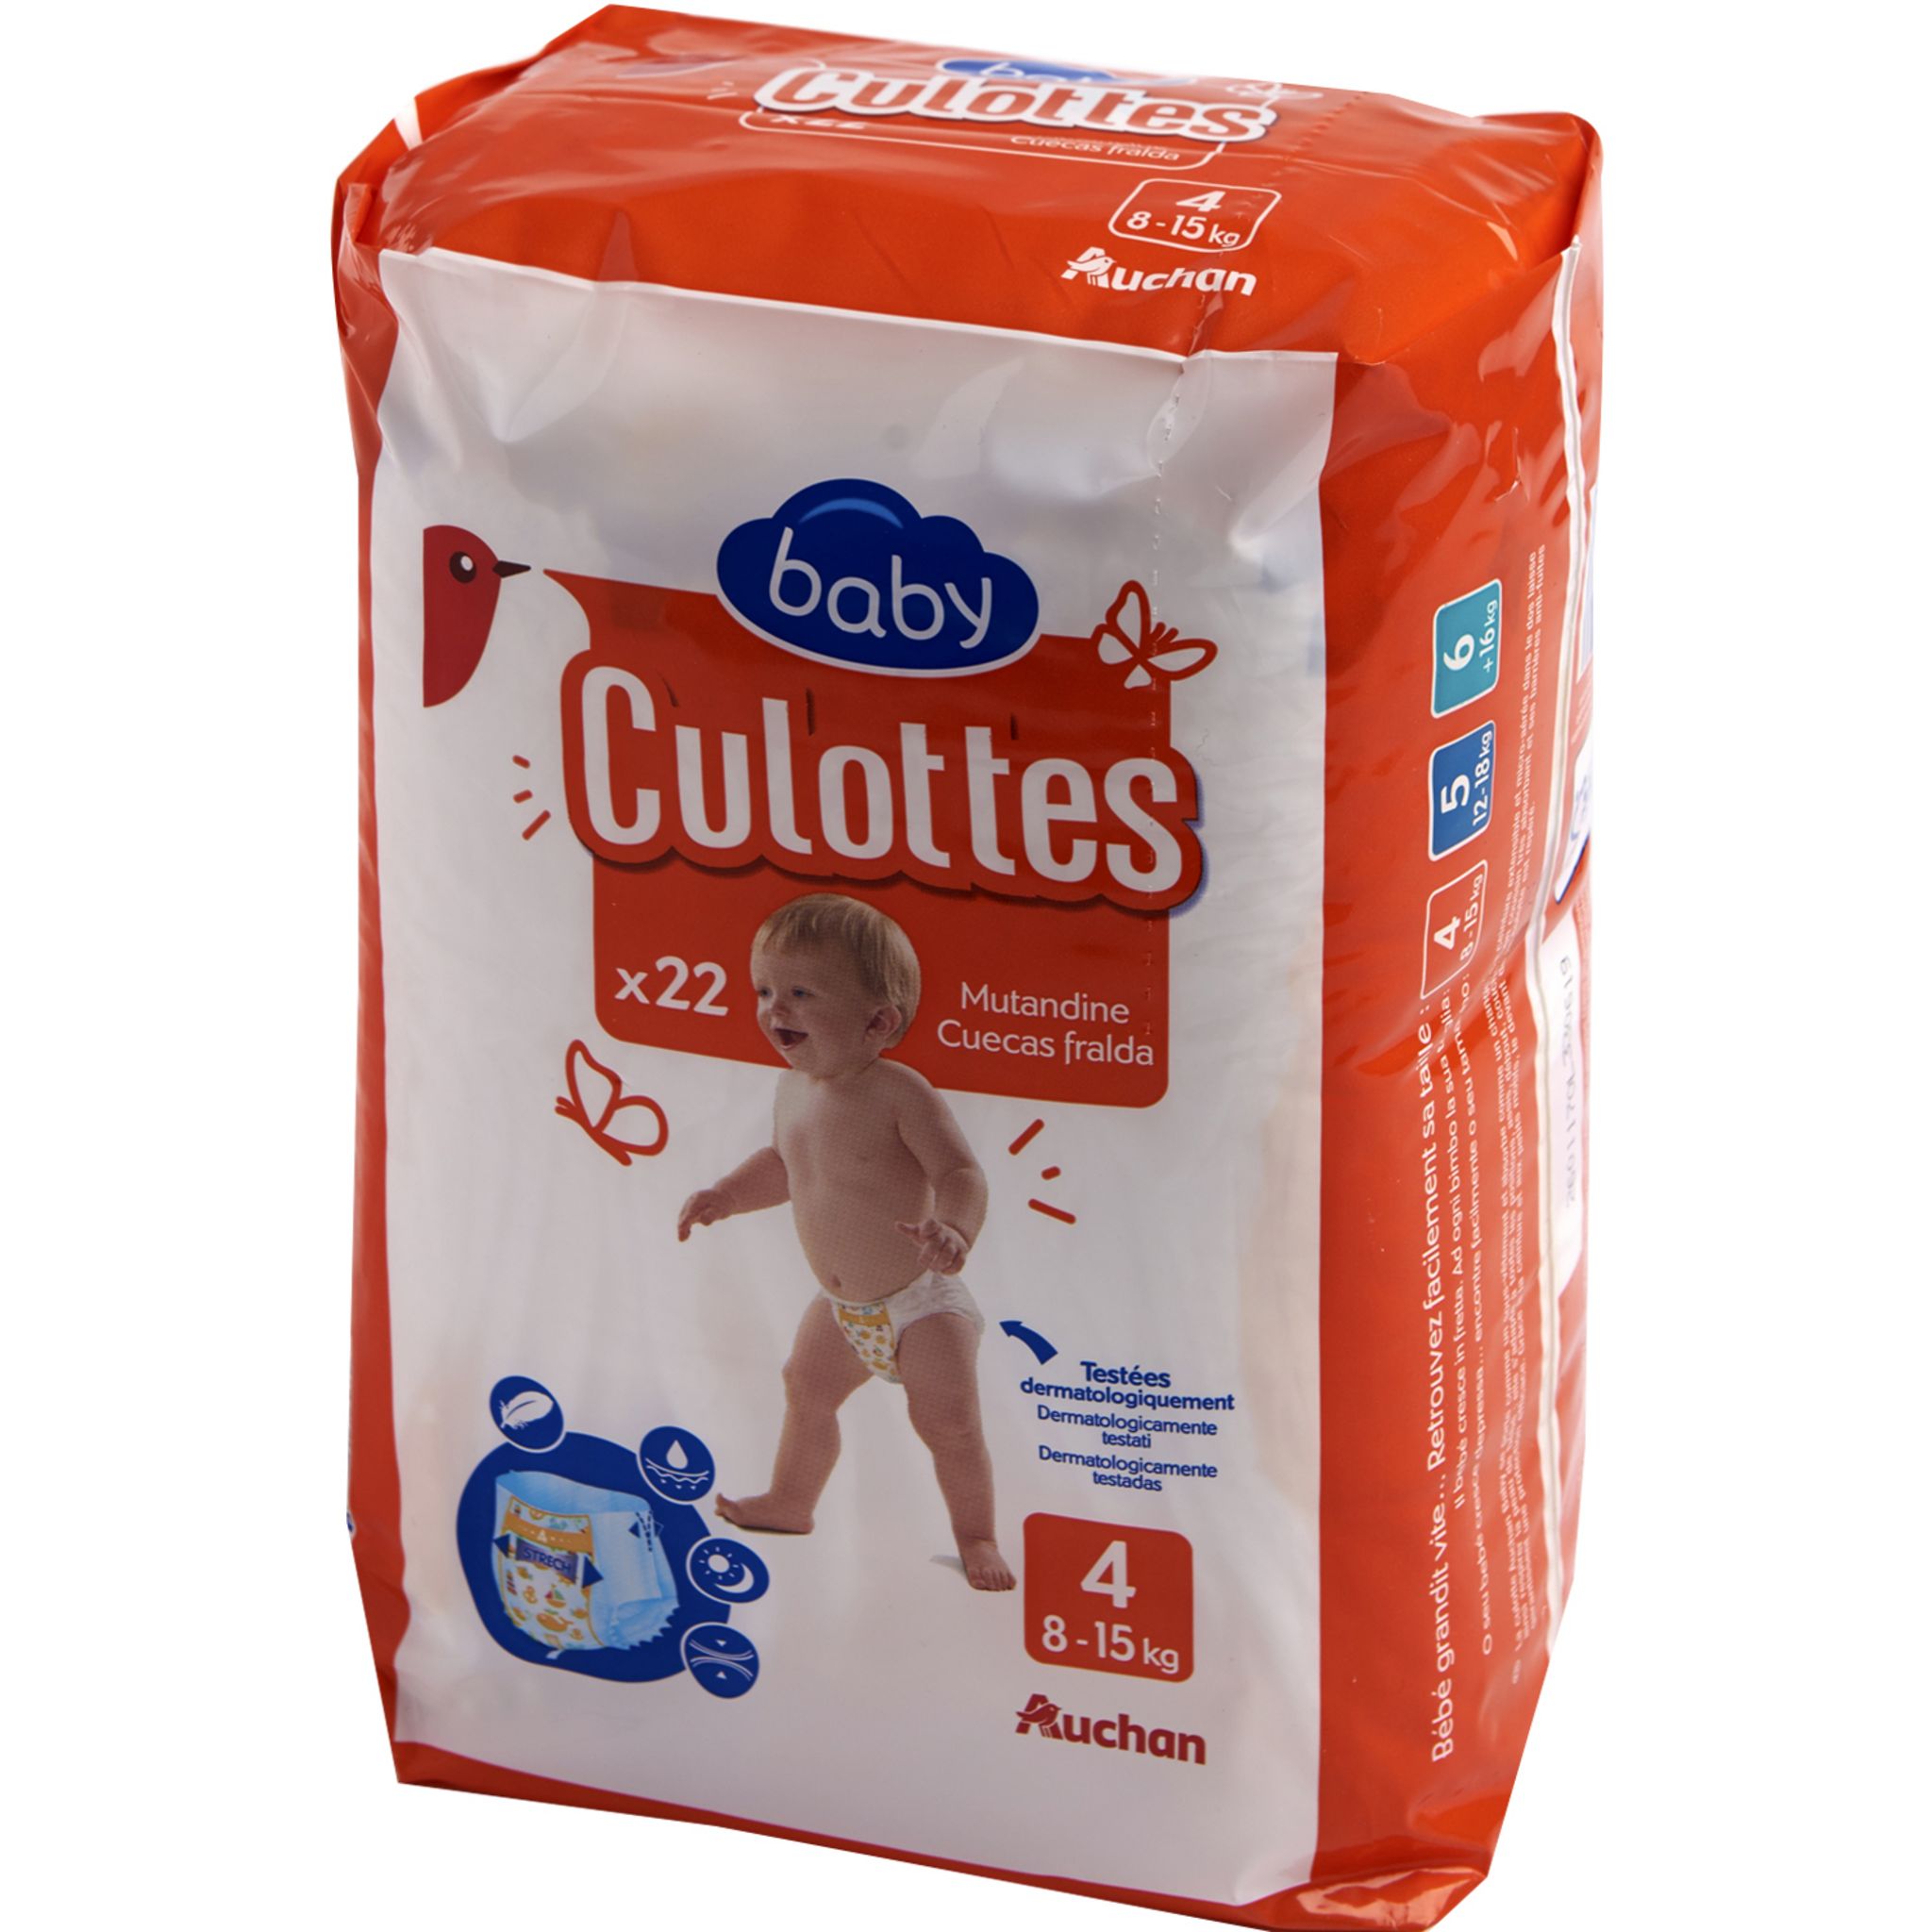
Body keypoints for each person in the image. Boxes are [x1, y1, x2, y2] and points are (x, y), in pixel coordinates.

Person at [677, 892, 1013, 1591]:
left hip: (922, 1302)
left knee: (948, 1426)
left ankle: (977, 1536)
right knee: (805, 1390)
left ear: (878, 1022)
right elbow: (785, 1164)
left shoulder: (899, 1092)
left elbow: (959, 1172)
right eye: (765, 990)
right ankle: (791, 1502)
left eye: (801, 993)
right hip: (843, 1309)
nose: (775, 1009)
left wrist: (955, 1229)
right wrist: (727, 1195)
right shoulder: (792, 1087)